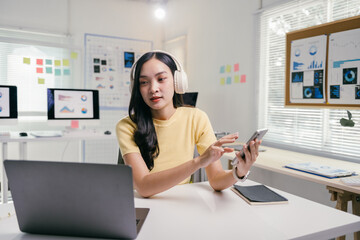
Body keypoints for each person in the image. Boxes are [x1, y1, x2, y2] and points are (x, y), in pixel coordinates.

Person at [116, 50, 261, 198]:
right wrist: (198, 162)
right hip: (142, 205)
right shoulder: (126, 126)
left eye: (161, 79)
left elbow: (217, 180)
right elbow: (144, 187)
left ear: (177, 82)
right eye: (144, 82)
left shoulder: (196, 117)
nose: (153, 88)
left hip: (181, 201)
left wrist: (238, 172)